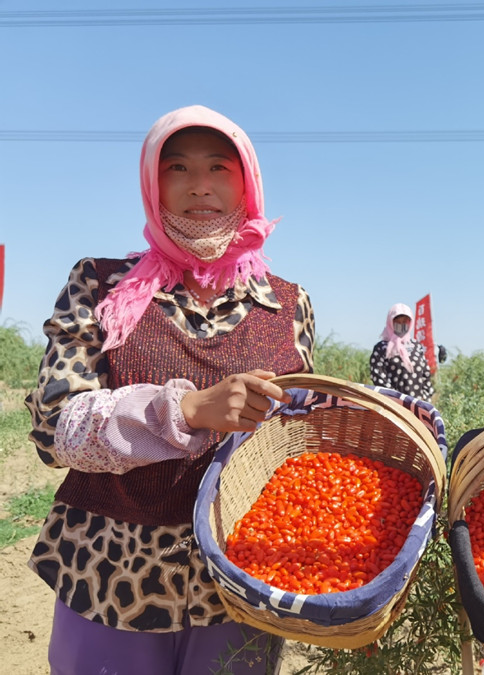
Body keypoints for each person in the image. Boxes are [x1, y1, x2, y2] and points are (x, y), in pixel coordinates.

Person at [24, 104, 315, 675]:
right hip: (109, 576)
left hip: (238, 586)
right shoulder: (100, 284)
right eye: (177, 168)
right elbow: (53, 427)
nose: (199, 186)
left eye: (219, 168)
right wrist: (187, 408)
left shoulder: (289, 303)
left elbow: (297, 441)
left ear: (246, 183)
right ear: (153, 183)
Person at [369, 303, 435, 401]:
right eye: (397, 321)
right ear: (390, 322)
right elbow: (378, 376)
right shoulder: (381, 348)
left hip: (418, 404)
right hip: (393, 405)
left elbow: (425, 373)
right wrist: (396, 399)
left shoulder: (416, 346)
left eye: (404, 321)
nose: (401, 324)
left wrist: (424, 397)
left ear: (410, 322)